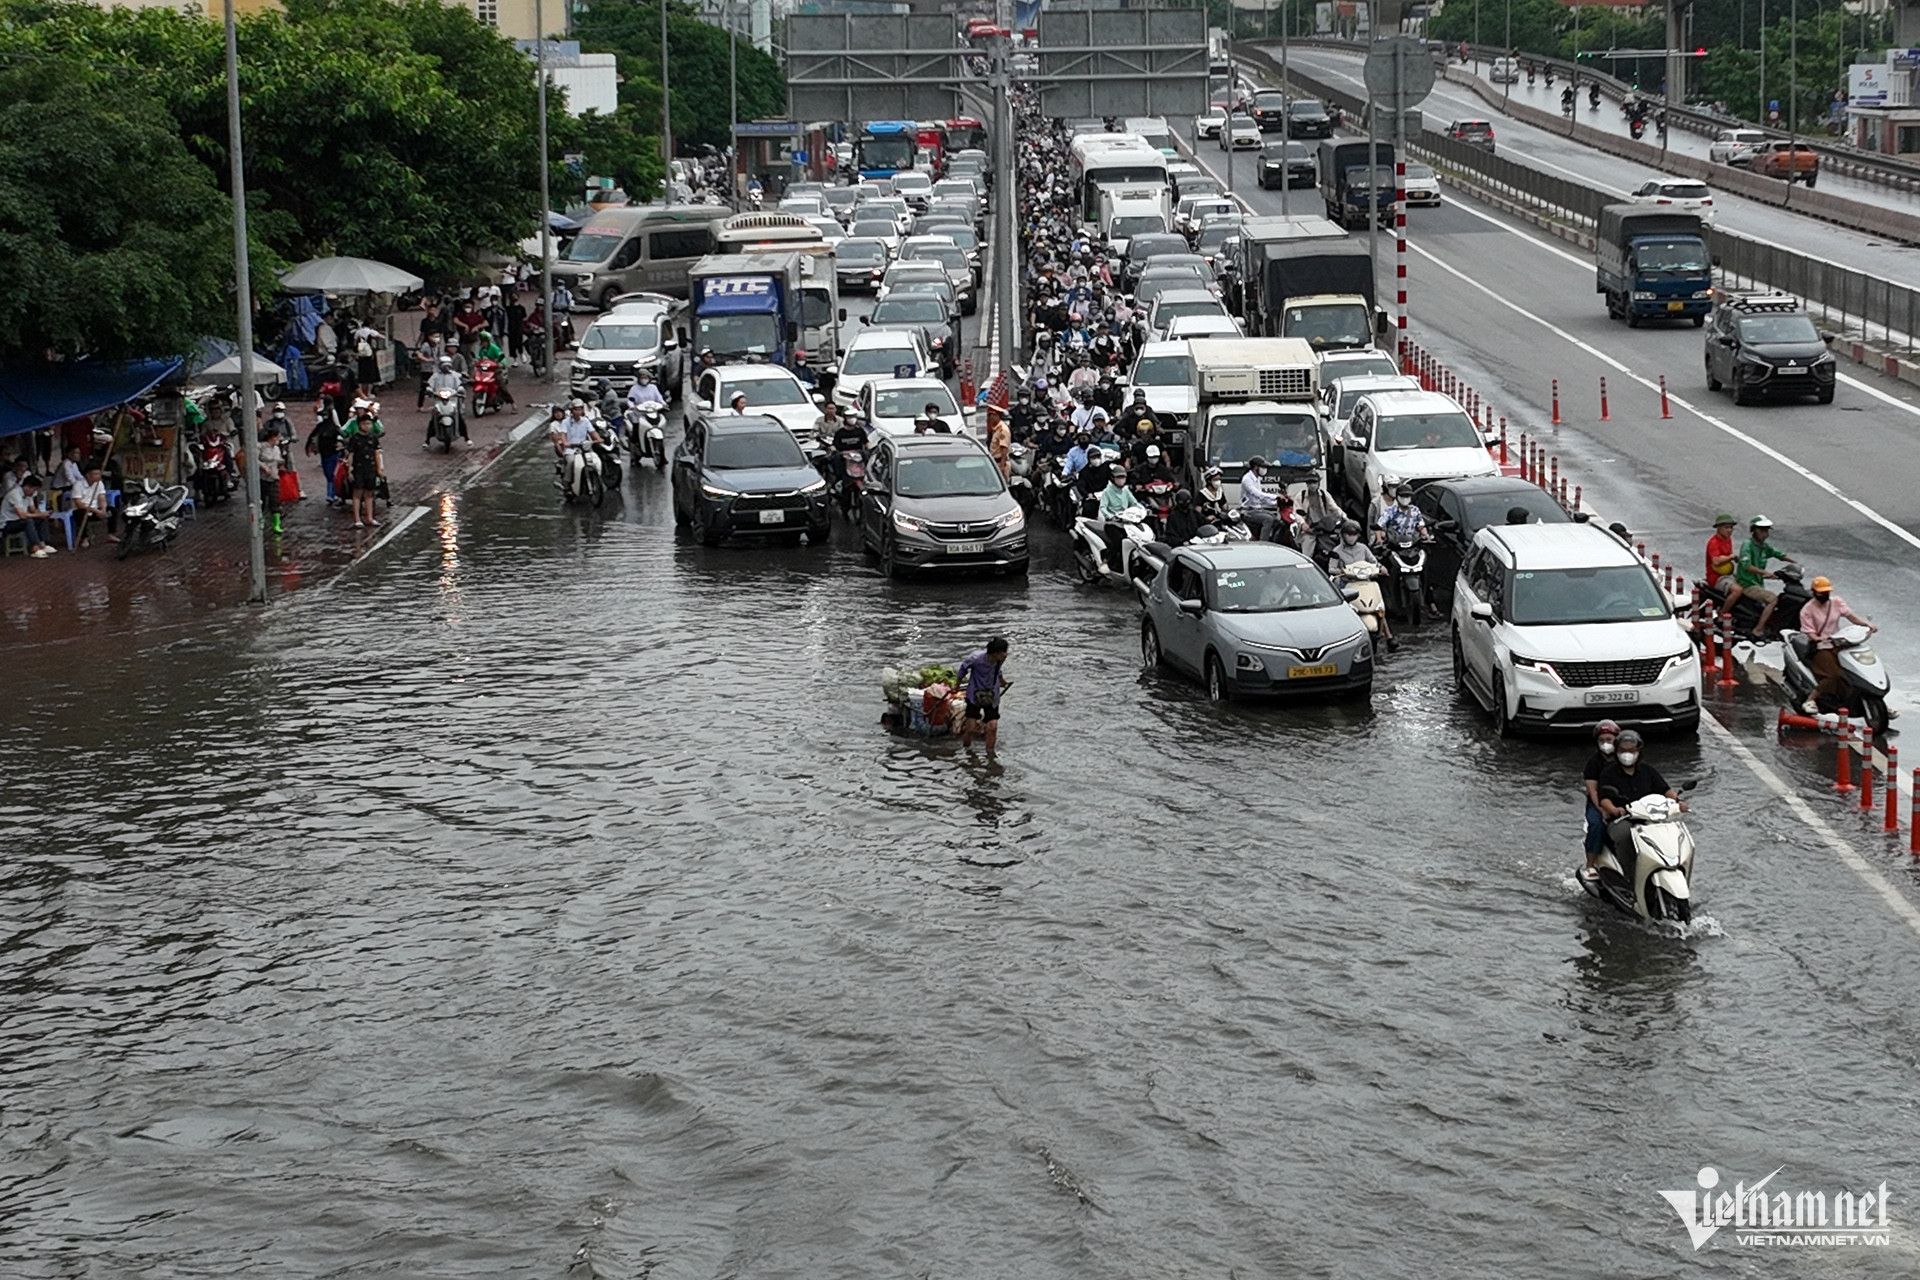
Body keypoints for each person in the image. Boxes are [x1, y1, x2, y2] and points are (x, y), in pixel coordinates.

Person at [1596, 729, 1687, 856]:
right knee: (1624, 835)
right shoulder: (1608, 773)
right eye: (1623, 751)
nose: (1627, 754)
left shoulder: (1647, 771)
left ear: (1638, 752)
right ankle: (1629, 872)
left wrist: (1679, 802)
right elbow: (1604, 799)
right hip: (1622, 819)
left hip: (1651, 817)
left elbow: (1665, 790)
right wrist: (1615, 810)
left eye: (1631, 751)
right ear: (1616, 752)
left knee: (1672, 832)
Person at [1796, 576, 1877, 714]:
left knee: (1856, 670)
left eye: (1826, 592)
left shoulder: (1837, 602)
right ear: (1814, 592)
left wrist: (1866, 626)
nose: (1824, 595)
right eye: (1821, 592)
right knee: (1834, 675)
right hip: (1821, 647)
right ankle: (1811, 699)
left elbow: (1851, 617)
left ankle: (1872, 700)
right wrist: (1819, 638)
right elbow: (1810, 632)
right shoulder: (1807, 610)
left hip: (1839, 643)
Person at [1325, 518, 1396, 648]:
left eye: (1354, 534)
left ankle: (1389, 636)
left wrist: (1382, 568)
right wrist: (1339, 571)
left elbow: (1373, 561)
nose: (1351, 537)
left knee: (1378, 607)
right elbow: (1331, 568)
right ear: (1343, 535)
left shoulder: (1363, 548)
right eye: (1349, 534)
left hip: (1366, 582)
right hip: (1347, 584)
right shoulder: (1337, 551)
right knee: (1343, 609)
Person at [1732, 514, 1793, 636]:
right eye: (1762, 530)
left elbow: (1778, 554)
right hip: (1747, 583)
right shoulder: (1747, 545)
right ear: (1753, 530)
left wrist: (1793, 562)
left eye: (1766, 530)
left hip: (1758, 583)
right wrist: (1765, 573)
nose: (1765, 533)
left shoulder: (1763, 546)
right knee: (1772, 599)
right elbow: (1747, 565)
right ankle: (1758, 629)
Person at [1579, 720, 1622, 881]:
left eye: (1609, 740)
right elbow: (1592, 790)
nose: (1605, 744)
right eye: (1602, 740)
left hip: (1620, 803)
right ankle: (1590, 865)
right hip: (1597, 804)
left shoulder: (1623, 761)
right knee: (1597, 826)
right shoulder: (1593, 763)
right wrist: (1602, 809)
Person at [955, 637, 1011, 754]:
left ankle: (990, 755)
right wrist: (957, 685)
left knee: (992, 726)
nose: (1006, 654)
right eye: (1003, 652)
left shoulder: (999, 660)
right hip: (975, 694)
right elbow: (963, 668)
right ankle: (967, 750)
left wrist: (1002, 681)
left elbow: (998, 670)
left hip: (991, 695)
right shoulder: (976, 659)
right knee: (971, 728)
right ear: (995, 653)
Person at [342, 408, 384, 528]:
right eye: (365, 423)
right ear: (360, 425)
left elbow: (376, 453)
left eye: (369, 423)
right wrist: (349, 469)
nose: (368, 426)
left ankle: (369, 517)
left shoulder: (373, 438)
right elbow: (350, 454)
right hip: (358, 468)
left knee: (369, 494)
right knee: (357, 494)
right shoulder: (355, 439)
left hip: (370, 467)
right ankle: (357, 519)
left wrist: (379, 468)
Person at [3, 474, 56, 557]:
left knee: (40, 519)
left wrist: (42, 514)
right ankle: (34, 548)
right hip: (8, 523)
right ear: (27, 487)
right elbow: (22, 515)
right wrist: (37, 515)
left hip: (18, 520)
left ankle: (42, 544)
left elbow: (33, 509)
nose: (34, 492)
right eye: (34, 490)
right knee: (28, 521)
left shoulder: (28, 495)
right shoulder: (15, 494)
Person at [306, 403, 344, 507]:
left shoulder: (334, 428)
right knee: (327, 473)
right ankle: (332, 493)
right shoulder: (320, 427)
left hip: (333, 453)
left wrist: (340, 444)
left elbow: (344, 436)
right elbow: (311, 436)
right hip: (324, 453)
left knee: (331, 474)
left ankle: (331, 494)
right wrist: (308, 447)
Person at [425, 356, 467, 446]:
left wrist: (460, 389)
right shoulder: (435, 376)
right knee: (433, 419)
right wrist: (429, 389)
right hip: (439, 400)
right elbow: (430, 385)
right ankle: (427, 440)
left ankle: (466, 437)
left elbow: (459, 385)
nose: (446, 367)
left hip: (453, 400)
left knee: (459, 417)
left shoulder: (455, 375)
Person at [1239, 456, 1277, 538]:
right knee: (1268, 519)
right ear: (1256, 467)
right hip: (1248, 511)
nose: (1264, 469)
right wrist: (1275, 496)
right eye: (1263, 467)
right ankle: (1263, 543)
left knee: (1277, 520)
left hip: (1258, 509)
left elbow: (1261, 498)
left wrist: (1276, 502)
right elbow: (1257, 494)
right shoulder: (1247, 479)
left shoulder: (1257, 478)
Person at [1704, 512, 1737, 593]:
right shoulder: (1713, 542)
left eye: (1731, 527)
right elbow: (1716, 561)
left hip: (1727, 574)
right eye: (1726, 527)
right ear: (1718, 528)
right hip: (1716, 577)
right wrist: (1731, 557)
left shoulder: (1728, 540)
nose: (1730, 530)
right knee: (1737, 591)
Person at [987, 406, 1012, 479]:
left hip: (1000, 462)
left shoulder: (1002, 430)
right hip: (995, 461)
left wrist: (1001, 466)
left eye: (991, 416)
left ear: (996, 416)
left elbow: (1004, 448)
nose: (989, 418)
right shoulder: (996, 429)